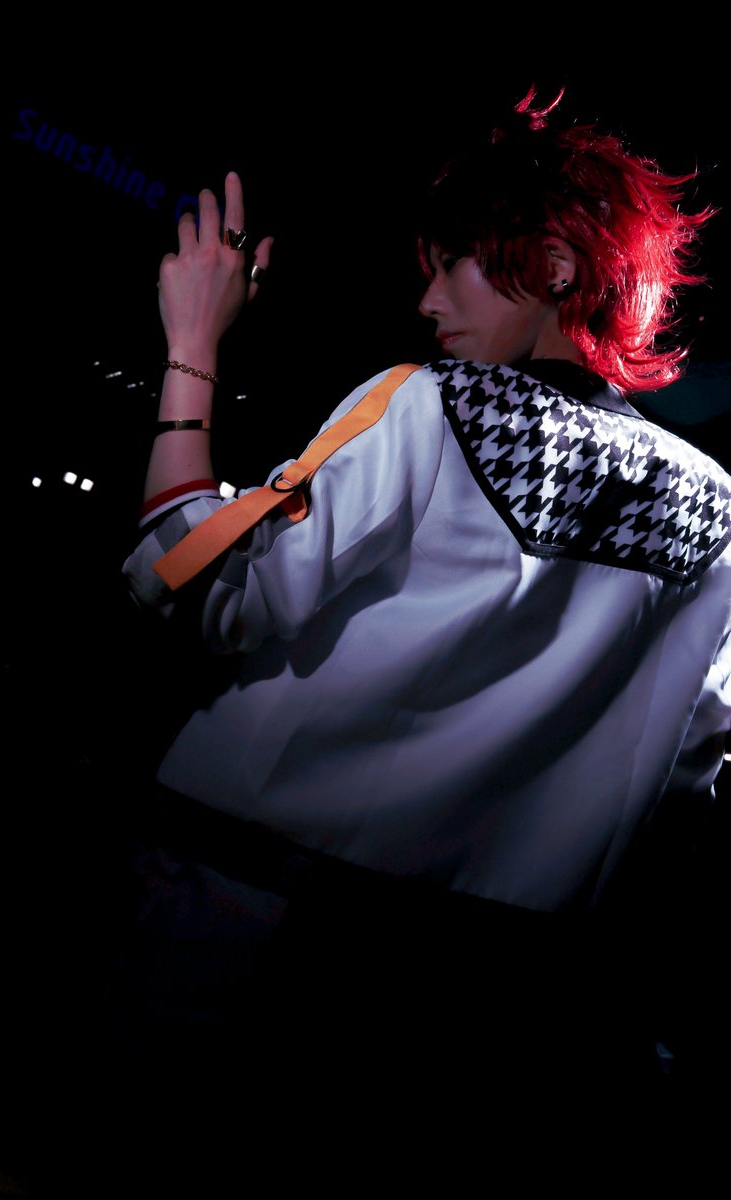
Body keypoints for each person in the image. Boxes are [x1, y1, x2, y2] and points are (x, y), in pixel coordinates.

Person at [120, 88, 729, 1095]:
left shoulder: (426, 406)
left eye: (454, 263)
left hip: (249, 909)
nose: (428, 300)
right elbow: (692, 776)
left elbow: (192, 584)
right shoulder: (715, 506)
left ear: (556, 266)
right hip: (486, 983)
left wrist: (192, 345)